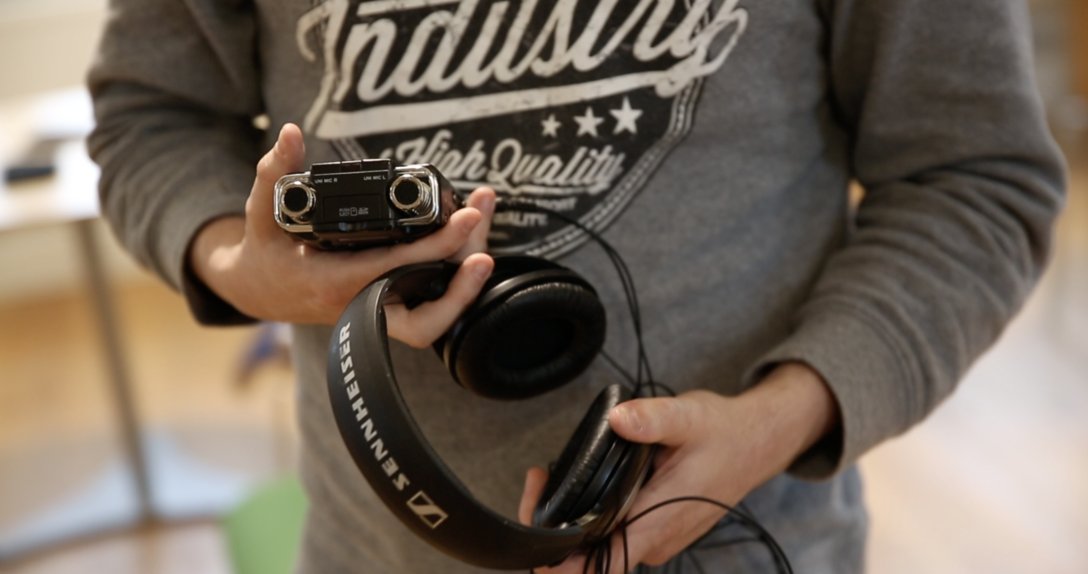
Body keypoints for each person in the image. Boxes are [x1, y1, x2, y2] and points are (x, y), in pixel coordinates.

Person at [87, 0, 1065, 572]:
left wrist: (776, 419)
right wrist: (240, 265)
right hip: (367, 545)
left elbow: (972, 179)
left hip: (751, 539)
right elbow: (151, 117)